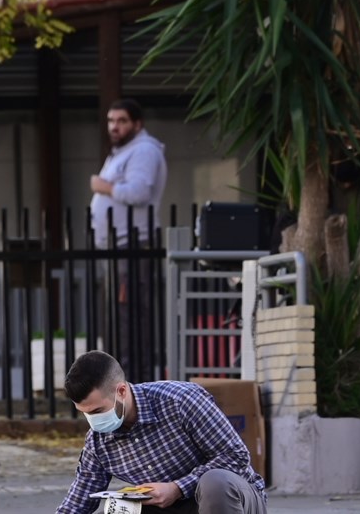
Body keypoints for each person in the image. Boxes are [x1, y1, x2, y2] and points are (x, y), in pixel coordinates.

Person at [57, 351, 266, 514]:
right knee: (118, 508)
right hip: (166, 509)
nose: (93, 421)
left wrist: (177, 488)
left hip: (233, 502)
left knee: (215, 483)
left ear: (121, 391)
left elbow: (235, 456)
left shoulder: (181, 400)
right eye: (85, 414)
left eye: (97, 411)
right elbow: (78, 500)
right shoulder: (98, 441)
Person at [89, 98, 167, 379]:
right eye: (111, 121)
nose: (114, 127)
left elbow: (138, 192)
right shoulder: (123, 151)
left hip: (132, 244)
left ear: (137, 124)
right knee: (118, 317)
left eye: (122, 121)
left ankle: (132, 382)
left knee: (129, 319)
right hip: (117, 246)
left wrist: (103, 186)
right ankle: (120, 381)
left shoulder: (144, 150)